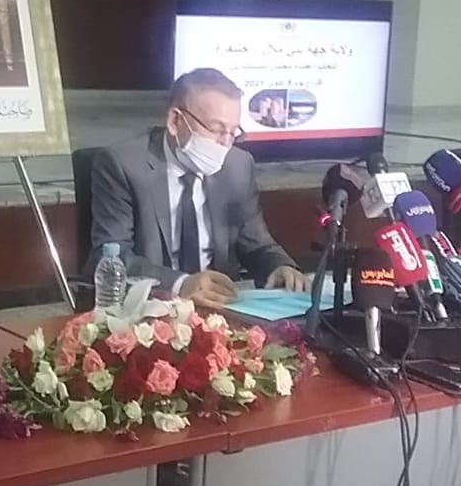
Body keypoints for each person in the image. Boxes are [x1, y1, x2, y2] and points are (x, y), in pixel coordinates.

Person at [89, 68, 306, 309]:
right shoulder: (124, 165)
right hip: (148, 310)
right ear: (175, 121)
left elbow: (256, 244)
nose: (225, 144)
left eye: (233, 132)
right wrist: (180, 284)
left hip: (219, 309)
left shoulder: (238, 166)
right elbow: (111, 254)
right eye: (216, 130)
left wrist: (278, 266)